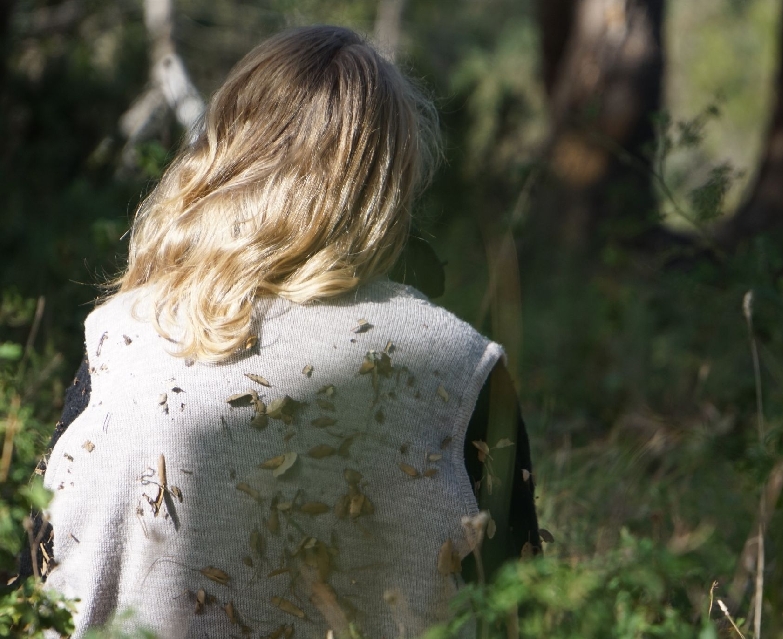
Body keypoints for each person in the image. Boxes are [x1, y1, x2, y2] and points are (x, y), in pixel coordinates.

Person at [32, 25, 540, 638]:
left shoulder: (125, 340)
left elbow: (33, 581)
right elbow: (521, 609)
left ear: (225, 157)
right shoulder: (460, 366)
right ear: (389, 178)